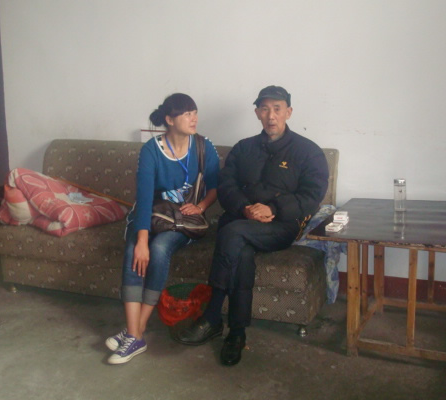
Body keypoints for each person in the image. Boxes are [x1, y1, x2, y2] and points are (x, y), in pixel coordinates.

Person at [176, 85, 329, 366]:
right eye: (265, 109)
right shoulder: (243, 148)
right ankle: (237, 333)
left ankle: (211, 317)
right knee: (240, 249)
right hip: (240, 219)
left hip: (280, 226)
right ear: (257, 113)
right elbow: (226, 185)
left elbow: (311, 197)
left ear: (289, 112)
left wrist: (273, 208)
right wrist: (245, 208)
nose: (271, 115)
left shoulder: (308, 152)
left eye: (277, 109)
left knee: (231, 233)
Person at [105, 93, 220, 365]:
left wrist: (201, 206)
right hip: (153, 216)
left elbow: (216, 186)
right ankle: (135, 333)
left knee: (158, 248)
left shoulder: (204, 147)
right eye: (186, 113)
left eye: (195, 112)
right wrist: (140, 240)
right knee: (134, 250)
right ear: (169, 119)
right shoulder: (151, 150)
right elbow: (144, 198)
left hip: (184, 222)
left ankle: (135, 331)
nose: (194, 118)